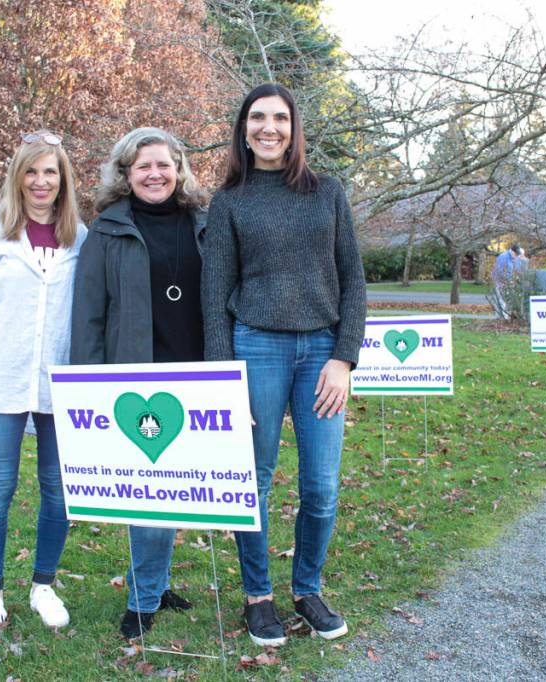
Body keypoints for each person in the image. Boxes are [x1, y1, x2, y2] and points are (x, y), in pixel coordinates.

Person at [201, 83, 367, 646]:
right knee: (255, 481)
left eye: (279, 119)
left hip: (321, 352)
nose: (268, 128)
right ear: (243, 129)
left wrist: (344, 357)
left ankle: (308, 589)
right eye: (257, 119)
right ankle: (258, 596)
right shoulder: (229, 202)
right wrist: (224, 380)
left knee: (320, 484)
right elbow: (215, 292)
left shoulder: (328, 193)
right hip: (256, 349)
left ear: (294, 129)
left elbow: (354, 280)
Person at [71, 127, 208, 639]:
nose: (154, 174)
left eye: (163, 164)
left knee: (174, 491)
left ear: (179, 169)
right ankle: (143, 599)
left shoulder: (205, 224)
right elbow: (87, 315)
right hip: (135, 376)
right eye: (142, 166)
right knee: (150, 493)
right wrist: (87, 388)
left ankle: (154, 578)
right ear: (126, 175)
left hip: (197, 375)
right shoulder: (106, 231)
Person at [0, 131, 87, 638]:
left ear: (63, 178)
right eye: (31, 171)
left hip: (60, 385)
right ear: (17, 176)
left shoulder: (80, 235)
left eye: (50, 171)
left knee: (59, 491)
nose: (41, 181)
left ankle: (43, 585)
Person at [492, 243, 522, 317]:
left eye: (517, 254)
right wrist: (504, 282)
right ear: (511, 251)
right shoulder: (503, 257)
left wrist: (516, 279)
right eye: (516, 253)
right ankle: (501, 317)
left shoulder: (516, 258)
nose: (516, 255)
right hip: (501, 282)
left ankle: (506, 317)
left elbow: (518, 270)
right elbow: (499, 272)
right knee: (501, 301)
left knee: (508, 302)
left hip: (511, 283)